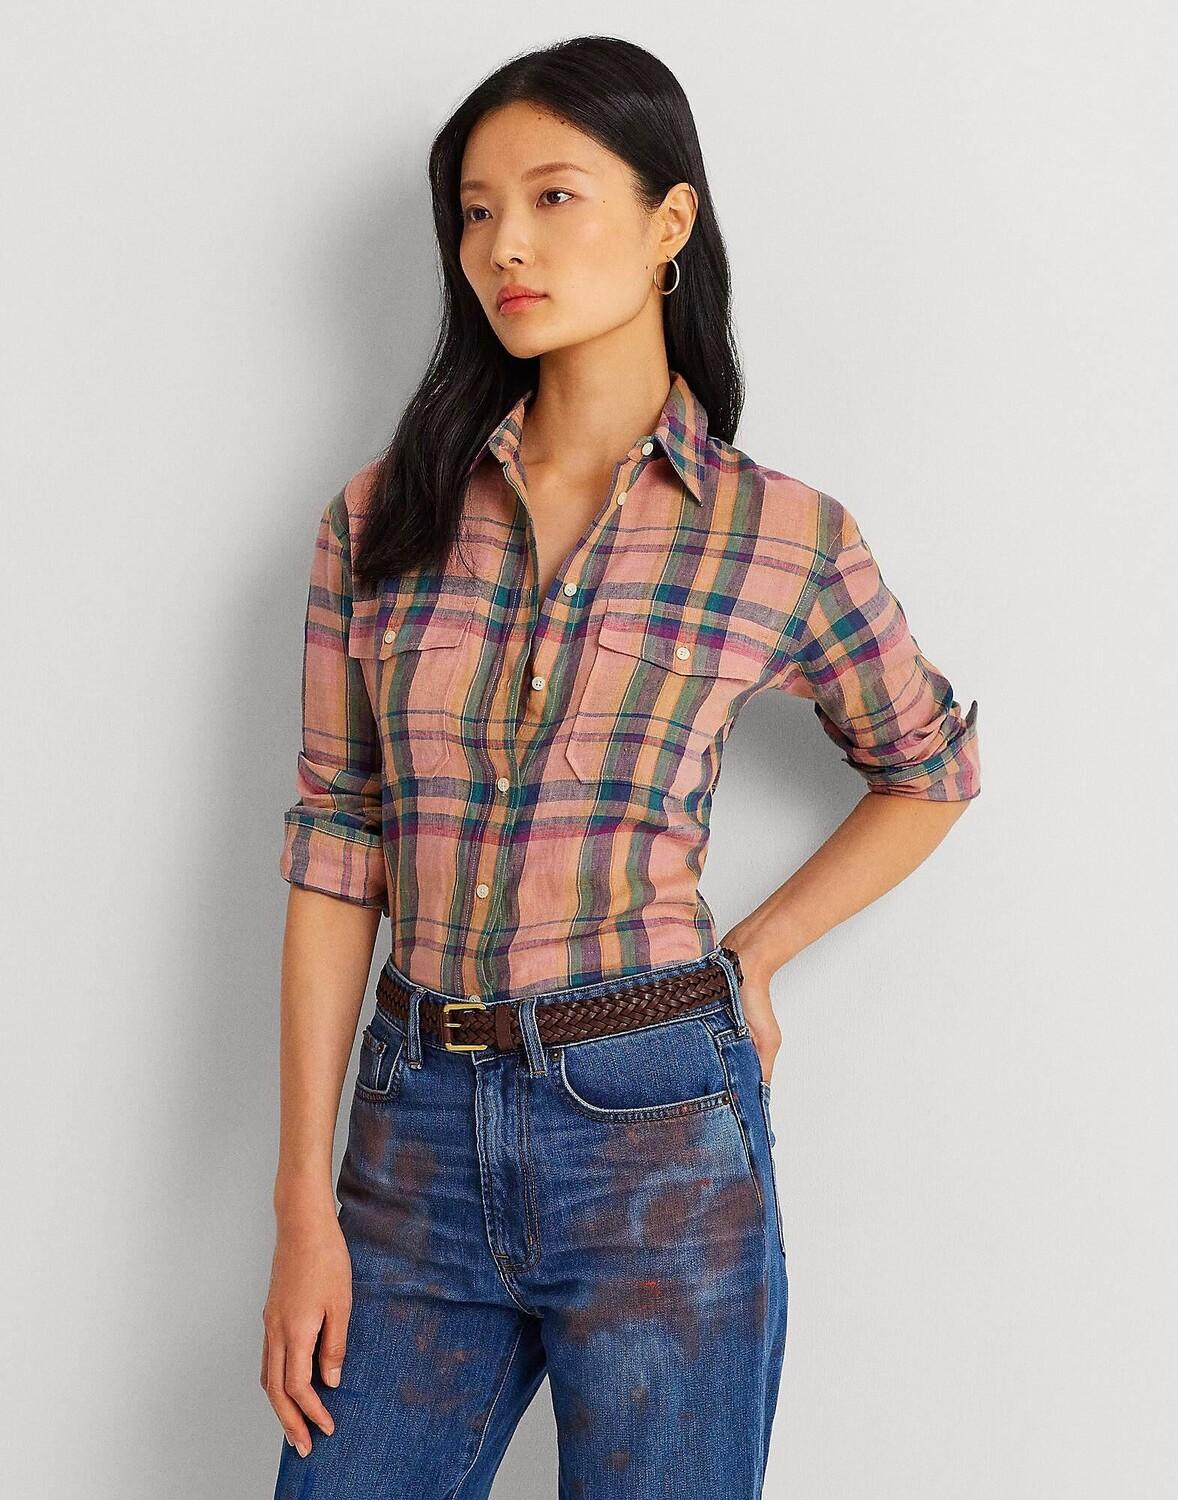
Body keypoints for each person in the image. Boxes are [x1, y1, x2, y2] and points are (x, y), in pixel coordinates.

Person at [263, 35, 981, 1500]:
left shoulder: (781, 538)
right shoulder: (381, 521)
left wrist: (755, 956)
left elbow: (929, 767)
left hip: (657, 1128)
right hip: (410, 1131)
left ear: (669, 223)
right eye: (474, 211)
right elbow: (340, 844)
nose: (504, 247)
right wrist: (300, 1204)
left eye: (552, 196)